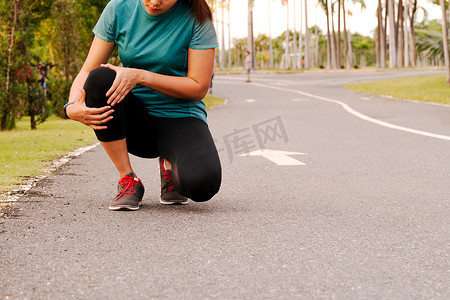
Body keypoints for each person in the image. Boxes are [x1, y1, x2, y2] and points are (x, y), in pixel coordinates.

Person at [64, 0, 222, 211]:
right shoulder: (118, 8)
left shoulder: (197, 16)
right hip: (133, 121)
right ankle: (127, 179)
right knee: (100, 78)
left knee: (203, 184)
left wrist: (141, 76)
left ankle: (168, 165)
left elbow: (198, 87)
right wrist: (71, 106)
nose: (155, 2)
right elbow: (86, 71)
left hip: (180, 116)